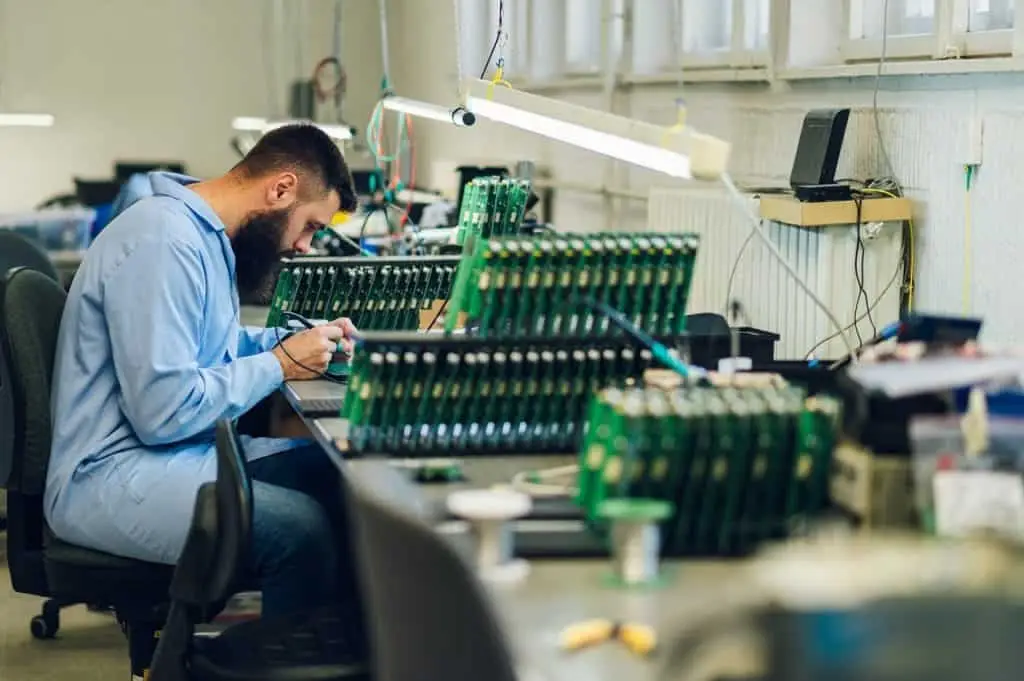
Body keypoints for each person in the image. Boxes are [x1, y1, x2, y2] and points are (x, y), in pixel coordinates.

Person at [45, 124, 360, 619]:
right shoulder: (163, 241)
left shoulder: (203, 234)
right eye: (310, 226)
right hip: (110, 476)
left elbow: (212, 345)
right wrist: (280, 365)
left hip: (179, 454)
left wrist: (299, 342)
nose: (304, 246)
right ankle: (282, 663)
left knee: (344, 478)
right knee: (302, 532)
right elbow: (163, 412)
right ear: (280, 189)